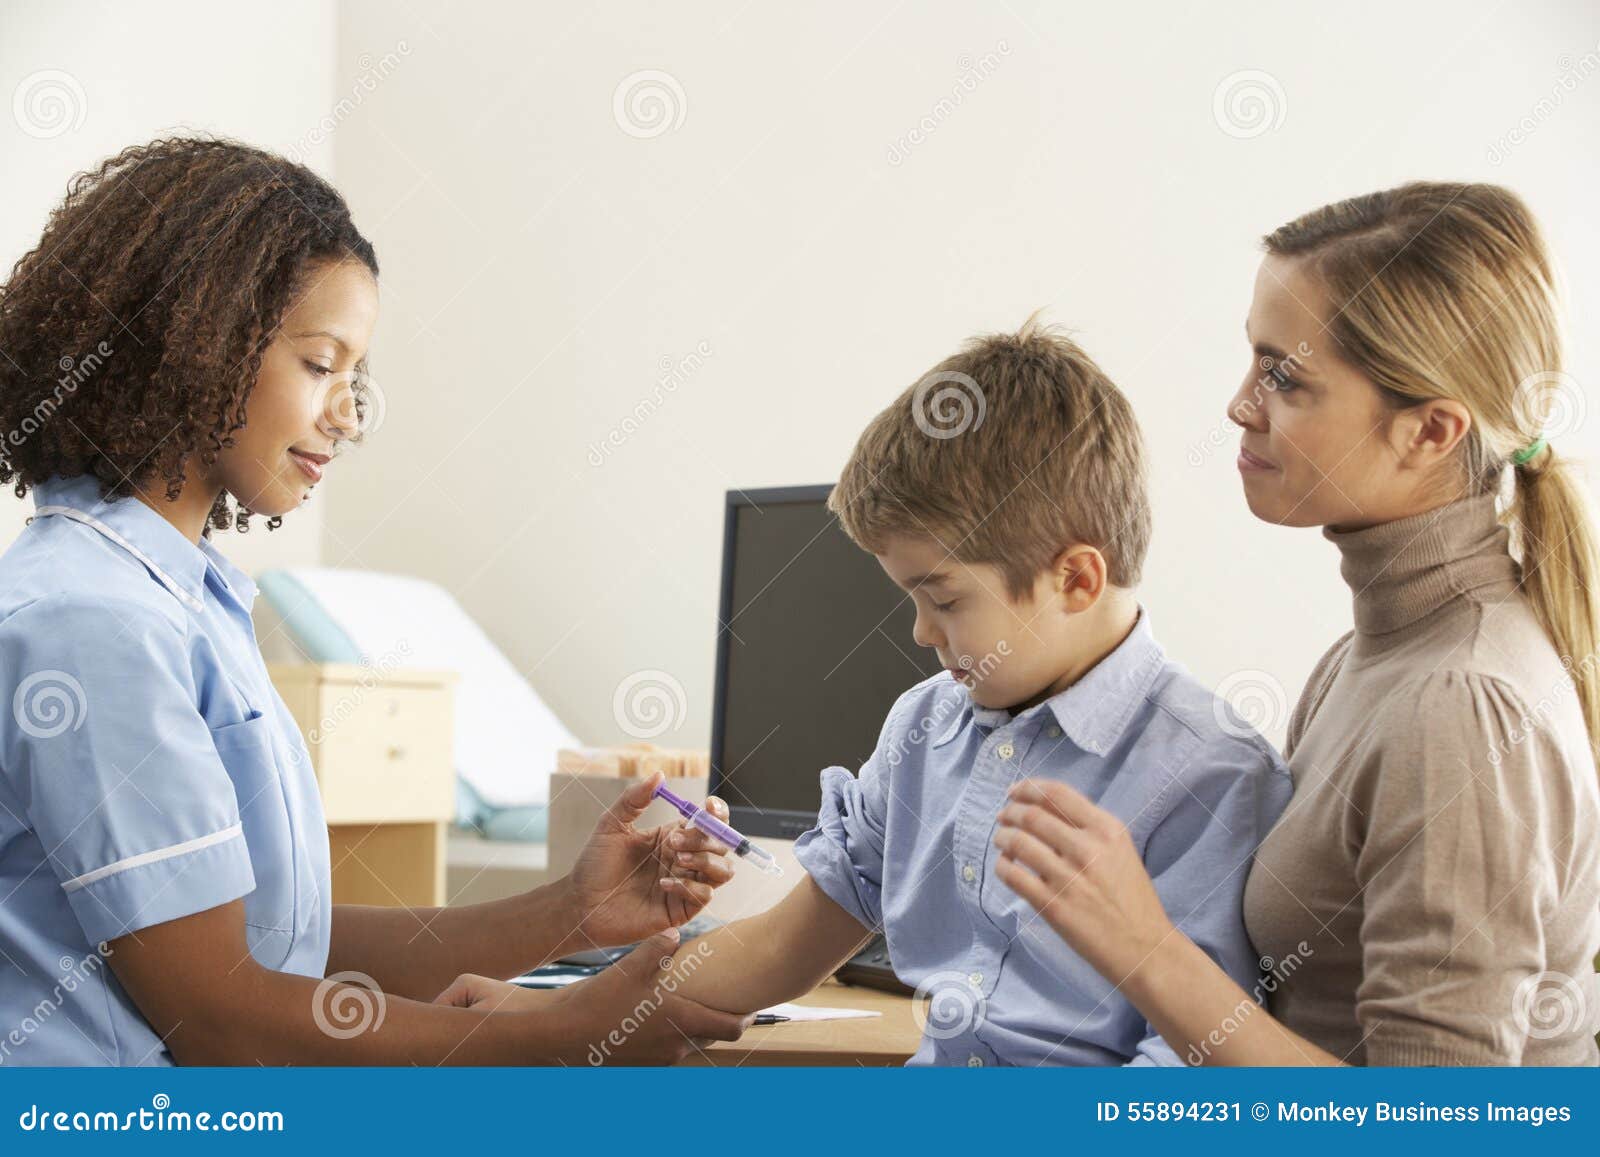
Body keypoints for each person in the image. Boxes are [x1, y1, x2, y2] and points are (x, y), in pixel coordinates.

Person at [0, 136, 750, 1066]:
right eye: (321, 364)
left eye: (355, 377)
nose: (349, 415)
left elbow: (285, 953)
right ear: (190, 344)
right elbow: (221, 1014)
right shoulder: (91, 620)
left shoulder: (179, 601)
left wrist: (574, 911)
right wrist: (567, 1031)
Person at [436, 320, 1293, 1066]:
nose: (922, 634)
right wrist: (554, 1016)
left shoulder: (1211, 773)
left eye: (946, 599)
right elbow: (779, 945)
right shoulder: (925, 728)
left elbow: (1192, 1062)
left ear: (1074, 577)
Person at [995, 182, 1600, 1065]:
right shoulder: (1367, 656)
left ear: (1429, 431)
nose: (1241, 405)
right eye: (1253, 361)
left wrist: (1144, 948)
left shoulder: (1460, 704)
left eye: (1284, 376)